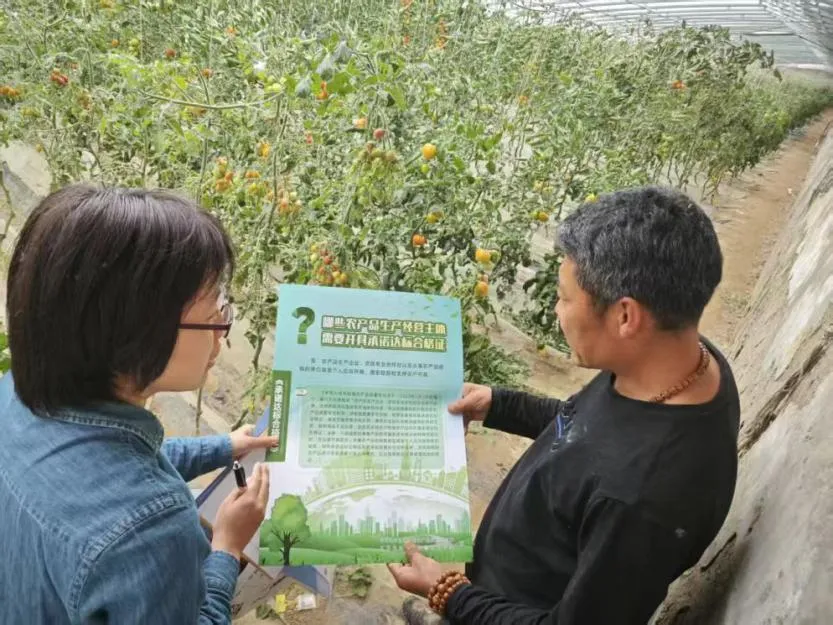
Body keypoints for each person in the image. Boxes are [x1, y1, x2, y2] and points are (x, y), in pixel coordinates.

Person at [389, 186, 741, 624]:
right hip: (502, 585)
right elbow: (585, 429)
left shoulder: (641, 502)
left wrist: (447, 593)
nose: (557, 311)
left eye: (564, 297)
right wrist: (498, 404)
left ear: (625, 317)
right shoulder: (678, 359)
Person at [0, 184, 278, 624]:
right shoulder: (152, 531)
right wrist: (226, 547)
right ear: (138, 333)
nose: (222, 332)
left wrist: (223, 446)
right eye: (213, 316)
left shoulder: (17, 394)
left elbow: (106, 470)